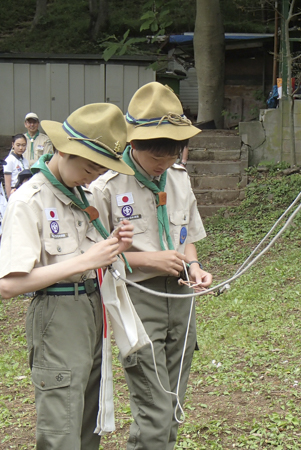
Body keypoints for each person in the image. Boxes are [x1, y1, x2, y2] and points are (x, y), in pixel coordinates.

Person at [0, 103, 135, 450]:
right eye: (89, 166)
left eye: (101, 168)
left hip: (93, 308)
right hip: (58, 312)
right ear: (62, 149)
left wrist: (113, 244)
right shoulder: (29, 199)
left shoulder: (84, 194)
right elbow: (10, 285)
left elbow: (91, 256)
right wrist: (84, 261)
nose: (93, 176)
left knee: (90, 420)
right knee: (62, 425)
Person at [89, 81, 212, 450]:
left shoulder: (178, 177)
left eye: (172, 156)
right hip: (136, 298)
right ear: (132, 145)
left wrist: (193, 266)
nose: (164, 165)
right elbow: (91, 256)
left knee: (173, 400)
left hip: (180, 297)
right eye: (157, 158)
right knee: (153, 404)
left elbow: (185, 232)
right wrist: (146, 259)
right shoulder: (106, 187)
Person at [4, 134, 29, 198]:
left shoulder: (25, 161)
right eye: (18, 145)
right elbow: (7, 183)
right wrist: (10, 198)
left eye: (23, 145)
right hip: (14, 191)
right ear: (13, 144)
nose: (21, 148)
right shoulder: (9, 160)